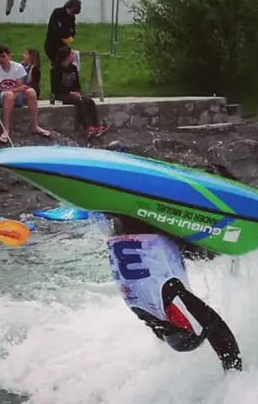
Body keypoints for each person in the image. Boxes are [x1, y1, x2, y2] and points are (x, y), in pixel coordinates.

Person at [94, 141, 243, 372]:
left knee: (187, 247)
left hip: (146, 231)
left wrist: (232, 370)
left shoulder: (164, 297)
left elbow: (214, 326)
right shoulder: (150, 305)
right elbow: (214, 326)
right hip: (142, 233)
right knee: (194, 250)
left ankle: (116, 168)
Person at [0, 45, 50, 144]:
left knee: (31, 92)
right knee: (8, 95)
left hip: (17, 95)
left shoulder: (18, 67)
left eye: (3, 56)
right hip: (2, 97)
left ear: (9, 56)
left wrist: (15, 91)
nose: (1, 59)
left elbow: (20, 86)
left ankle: (35, 126)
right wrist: (15, 91)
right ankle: (6, 130)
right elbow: (0, 89)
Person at [52, 45, 106, 139]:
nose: (74, 55)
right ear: (66, 56)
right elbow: (56, 88)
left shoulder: (73, 68)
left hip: (73, 93)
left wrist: (76, 92)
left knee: (89, 101)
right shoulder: (56, 69)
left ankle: (96, 125)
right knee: (79, 101)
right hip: (61, 94)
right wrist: (70, 93)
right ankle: (88, 127)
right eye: (72, 54)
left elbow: (77, 85)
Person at [44, 0, 81, 65]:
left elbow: (72, 30)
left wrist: (70, 37)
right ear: (68, 7)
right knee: (56, 63)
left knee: (64, 64)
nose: (72, 14)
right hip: (52, 43)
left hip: (63, 44)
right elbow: (54, 28)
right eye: (72, 12)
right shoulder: (57, 12)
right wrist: (64, 32)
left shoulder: (72, 17)